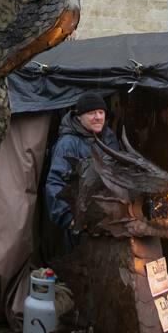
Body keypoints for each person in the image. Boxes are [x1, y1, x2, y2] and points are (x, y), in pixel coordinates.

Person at [45, 91, 119, 231]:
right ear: (79, 117)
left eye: (101, 112)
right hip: (80, 224)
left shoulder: (109, 139)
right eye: (91, 113)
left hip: (108, 221)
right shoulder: (68, 143)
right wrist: (69, 219)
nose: (98, 117)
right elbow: (55, 183)